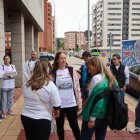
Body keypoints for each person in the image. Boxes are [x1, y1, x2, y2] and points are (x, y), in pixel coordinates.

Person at [21, 59, 61, 140]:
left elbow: (25, 97)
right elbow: (57, 104)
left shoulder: (26, 84)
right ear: (46, 70)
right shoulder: (50, 85)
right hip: (43, 118)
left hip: (26, 116)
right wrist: (56, 113)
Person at [81, 57, 117, 140]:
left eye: (90, 68)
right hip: (105, 116)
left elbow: (98, 101)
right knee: (101, 137)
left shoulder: (96, 78)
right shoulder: (110, 78)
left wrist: (92, 118)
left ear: (96, 66)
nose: (89, 71)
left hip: (94, 115)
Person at [51, 50, 82, 140]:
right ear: (57, 60)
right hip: (58, 105)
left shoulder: (71, 71)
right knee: (60, 127)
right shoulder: (53, 73)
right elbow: (51, 91)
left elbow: (77, 88)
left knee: (74, 126)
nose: (63, 60)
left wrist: (79, 102)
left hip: (71, 104)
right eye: (61, 58)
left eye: (65, 58)